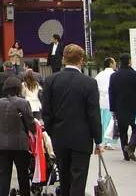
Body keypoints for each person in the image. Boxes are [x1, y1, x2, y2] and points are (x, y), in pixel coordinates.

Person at [41, 44, 102, 196]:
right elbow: (93, 114)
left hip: (60, 136)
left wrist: (52, 132)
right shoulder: (89, 83)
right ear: (81, 60)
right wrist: (98, 140)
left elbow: (46, 112)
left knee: (64, 176)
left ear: (63, 59)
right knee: (78, 178)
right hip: (82, 137)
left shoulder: (51, 80)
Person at [0, 76, 36, 196]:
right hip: (20, 144)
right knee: (22, 174)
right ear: (18, 88)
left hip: (2, 143)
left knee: (3, 175)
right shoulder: (23, 103)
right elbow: (30, 123)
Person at [109, 53, 136, 161]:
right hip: (134, 107)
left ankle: (126, 154)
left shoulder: (114, 76)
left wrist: (112, 108)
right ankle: (131, 147)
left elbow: (111, 93)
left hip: (120, 107)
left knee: (123, 131)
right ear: (129, 61)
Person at [95, 57, 118, 149]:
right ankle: (108, 141)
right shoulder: (114, 74)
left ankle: (102, 141)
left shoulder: (100, 75)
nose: (115, 64)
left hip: (101, 101)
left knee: (102, 121)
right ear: (111, 64)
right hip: (111, 101)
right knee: (110, 122)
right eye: (114, 62)